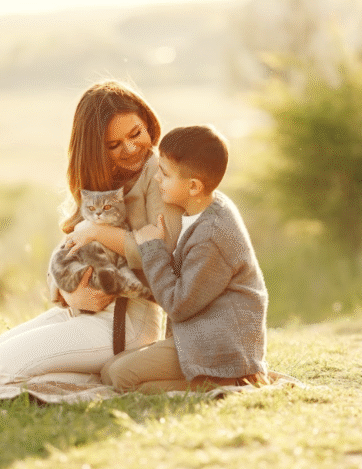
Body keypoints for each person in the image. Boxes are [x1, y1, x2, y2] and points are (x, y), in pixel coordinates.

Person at [0, 80, 183, 389]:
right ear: (96, 151)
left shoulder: (160, 176)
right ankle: (99, 376)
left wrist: (98, 231)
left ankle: (111, 379)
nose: (132, 148)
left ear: (148, 122)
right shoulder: (102, 180)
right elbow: (68, 248)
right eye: (114, 145)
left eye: (136, 134)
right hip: (81, 310)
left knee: (0, 373)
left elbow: (164, 254)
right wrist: (66, 290)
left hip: (126, 324)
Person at [101, 125, 268, 393]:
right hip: (199, 334)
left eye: (164, 174)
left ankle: (231, 379)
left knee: (121, 377)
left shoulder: (212, 235)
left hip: (219, 344)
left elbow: (178, 305)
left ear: (193, 186)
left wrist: (152, 248)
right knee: (111, 370)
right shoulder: (202, 208)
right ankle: (215, 380)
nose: (156, 179)